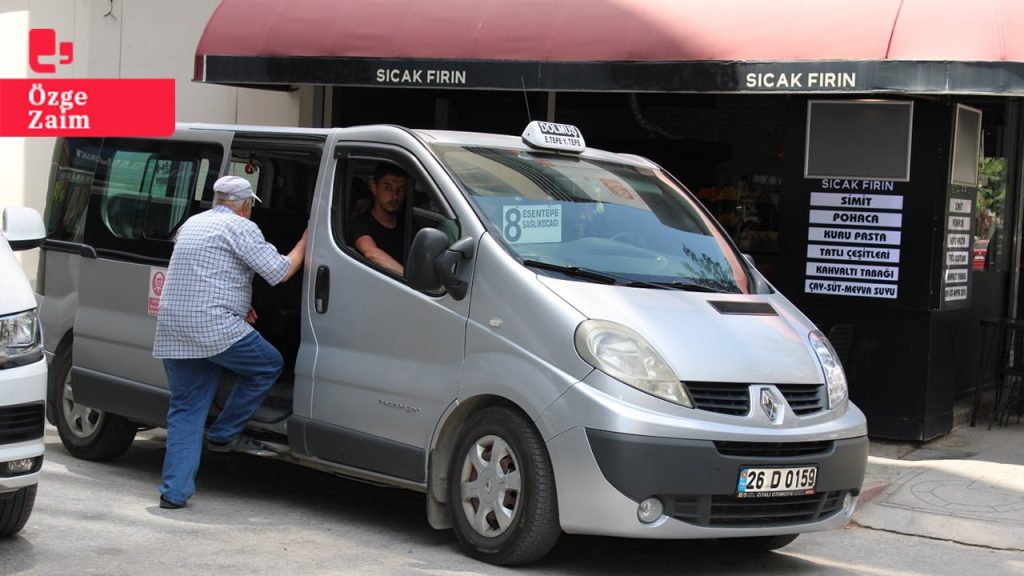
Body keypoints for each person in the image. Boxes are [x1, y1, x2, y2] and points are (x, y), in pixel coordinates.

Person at [152, 175, 307, 510]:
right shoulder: (242, 228)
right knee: (268, 364)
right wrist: (308, 240)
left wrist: (240, 304)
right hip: (212, 326)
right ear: (246, 205)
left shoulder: (192, 224)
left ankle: (174, 493)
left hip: (174, 327)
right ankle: (224, 433)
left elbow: (206, 273)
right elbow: (280, 271)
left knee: (185, 409)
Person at [352, 163, 408, 275]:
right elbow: (371, 252)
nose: (395, 196)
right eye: (388, 188)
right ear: (374, 188)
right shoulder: (360, 223)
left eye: (400, 189)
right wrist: (410, 280)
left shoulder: (408, 223)